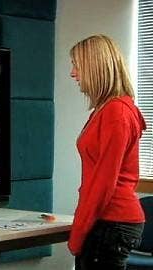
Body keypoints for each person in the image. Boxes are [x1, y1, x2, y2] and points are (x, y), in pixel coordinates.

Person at [68, 34, 146, 270]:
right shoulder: (106, 109)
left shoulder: (116, 112)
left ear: (96, 68)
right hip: (109, 221)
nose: (72, 73)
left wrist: (78, 234)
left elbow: (103, 183)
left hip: (112, 221)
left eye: (77, 66)